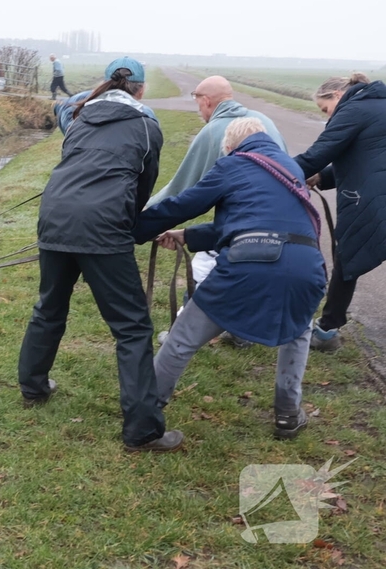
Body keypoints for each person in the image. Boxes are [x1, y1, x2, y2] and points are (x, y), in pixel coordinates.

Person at [18, 56, 182, 453]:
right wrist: (135, 227)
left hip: (54, 218)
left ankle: (33, 387)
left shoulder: (78, 116)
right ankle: (142, 430)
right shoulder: (147, 125)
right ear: (140, 89)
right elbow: (143, 188)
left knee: (49, 307)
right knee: (132, 326)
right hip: (103, 227)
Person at [135, 118, 326, 439]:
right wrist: (187, 237)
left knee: (182, 337)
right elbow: (254, 224)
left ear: (229, 146)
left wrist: (132, 230)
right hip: (306, 265)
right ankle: (288, 415)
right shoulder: (290, 169)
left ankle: (145, 412)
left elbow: (183, 205)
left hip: (248, 265)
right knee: (298, 331)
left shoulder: (233, 164)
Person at [148, 76, 288, 348]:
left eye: (198, 105)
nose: (200, 112)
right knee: (249, 269)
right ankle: (243, 332)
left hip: (242, 223)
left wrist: (142, 215)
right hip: (282, 222)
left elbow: (182, 188)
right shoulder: (263, 121)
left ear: (206, 101)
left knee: (207, 269)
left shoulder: (214, 131)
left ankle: (181, 332)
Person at [294, 73, 386, 352]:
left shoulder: (354, 109)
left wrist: (272, 170)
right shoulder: (378, 105)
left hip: (371, 201)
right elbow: (364, 158)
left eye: (325, 109)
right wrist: (320, 178)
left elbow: (318, 154)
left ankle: (326, 331)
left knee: (347, 260)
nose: (327, 115)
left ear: (337, 94)